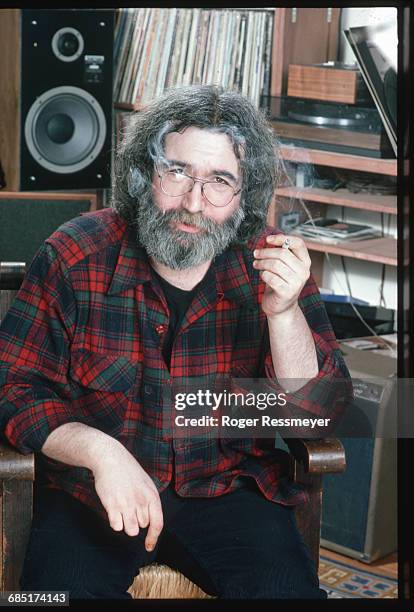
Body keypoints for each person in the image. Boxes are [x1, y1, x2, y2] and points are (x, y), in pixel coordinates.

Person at [0, 85, 351, 599]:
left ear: (242, 195)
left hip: (226, 488)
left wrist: (284, 313)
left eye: (218, 181)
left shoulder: (273, 266)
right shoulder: (74, 253)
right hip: (89, 495)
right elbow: (13, 388)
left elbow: (316, 413)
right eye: (178, 171)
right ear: (146, 172)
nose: (192, 202)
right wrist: (101, 451)